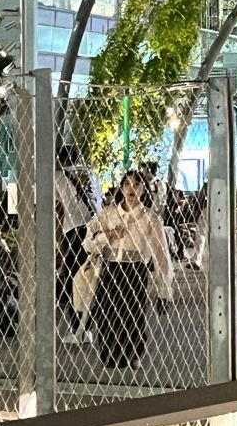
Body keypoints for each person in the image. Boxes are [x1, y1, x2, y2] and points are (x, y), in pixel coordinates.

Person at [83, 171, 173, 369]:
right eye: (127, 184)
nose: (131, 188)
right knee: (107, 312)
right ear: (121, 187)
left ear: (143, 189)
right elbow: (88, 239)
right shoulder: (109, 213)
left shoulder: (150, 218)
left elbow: (161, 253)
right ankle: (109, 354)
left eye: (137, 184)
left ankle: (133, 353)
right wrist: (108, 235)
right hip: (110, 267)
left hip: (135, 269)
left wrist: (164, 286)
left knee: (133, 313)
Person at [55, 145, 99, 322]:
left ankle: (78, 321)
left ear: (59, 159)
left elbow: (59, 210)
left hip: (74, 228)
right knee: (93, 272)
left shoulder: (58, 177)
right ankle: (92, 317)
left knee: (75, 275)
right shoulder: (92, 174)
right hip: (96, 227)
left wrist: (58, 241)